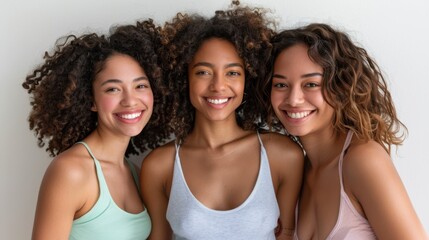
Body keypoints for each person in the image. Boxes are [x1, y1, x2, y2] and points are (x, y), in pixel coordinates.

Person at [139, 5, 304, 240]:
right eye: (203, 72)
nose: (218, 85)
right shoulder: (159, 166)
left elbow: (287, 234)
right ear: (183, 78)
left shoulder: (283, 155)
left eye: (233, 73)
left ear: (249, 79)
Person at [264, 23, 428, 239]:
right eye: (281, 85)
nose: (293, 99)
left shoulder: (363, 160)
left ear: (340, 86)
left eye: (311, 84)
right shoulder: (296, 170)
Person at [23, 19, 170, 240]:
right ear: (90, 100)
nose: (130, 100)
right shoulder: (70, 171)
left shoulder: (135, 172)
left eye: (140, 86)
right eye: (113, 89)